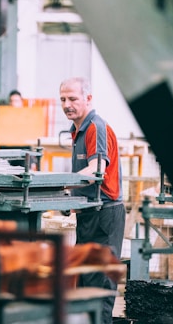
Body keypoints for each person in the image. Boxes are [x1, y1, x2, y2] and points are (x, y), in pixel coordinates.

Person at [59, 77, 126, 324]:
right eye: (63, 99)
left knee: (100, 286)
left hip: (105, 215)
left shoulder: (95, 127)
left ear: (88, 99)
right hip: (89, 214)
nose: (67, 104)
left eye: (73, 99)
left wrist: (59, 185)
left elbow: (95, 171)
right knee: (85, 283)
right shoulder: (77, 130)